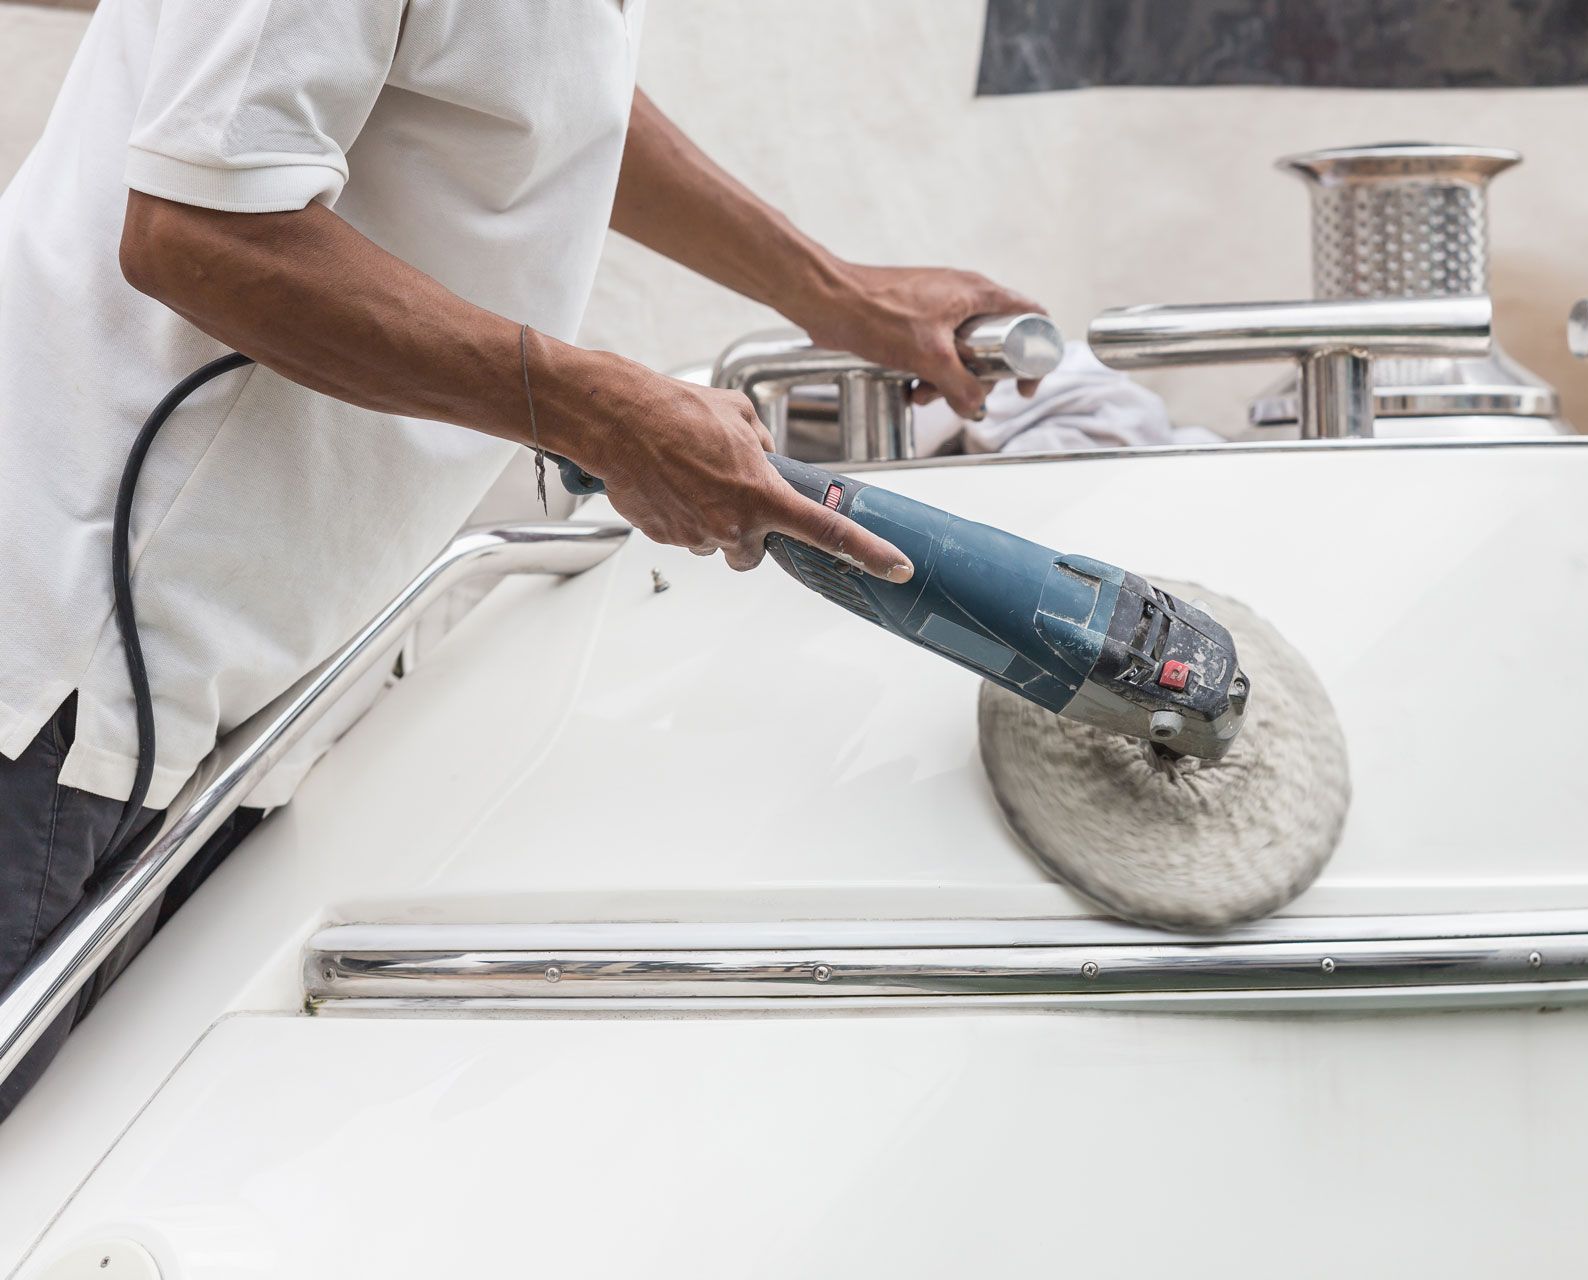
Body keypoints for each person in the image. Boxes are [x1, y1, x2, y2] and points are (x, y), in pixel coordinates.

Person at [0, 0, 1041, 1119]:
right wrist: (600, 412)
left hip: (235, 684)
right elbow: (200, 228)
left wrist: (835, 291)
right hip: (68, 663)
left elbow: (530, 76)